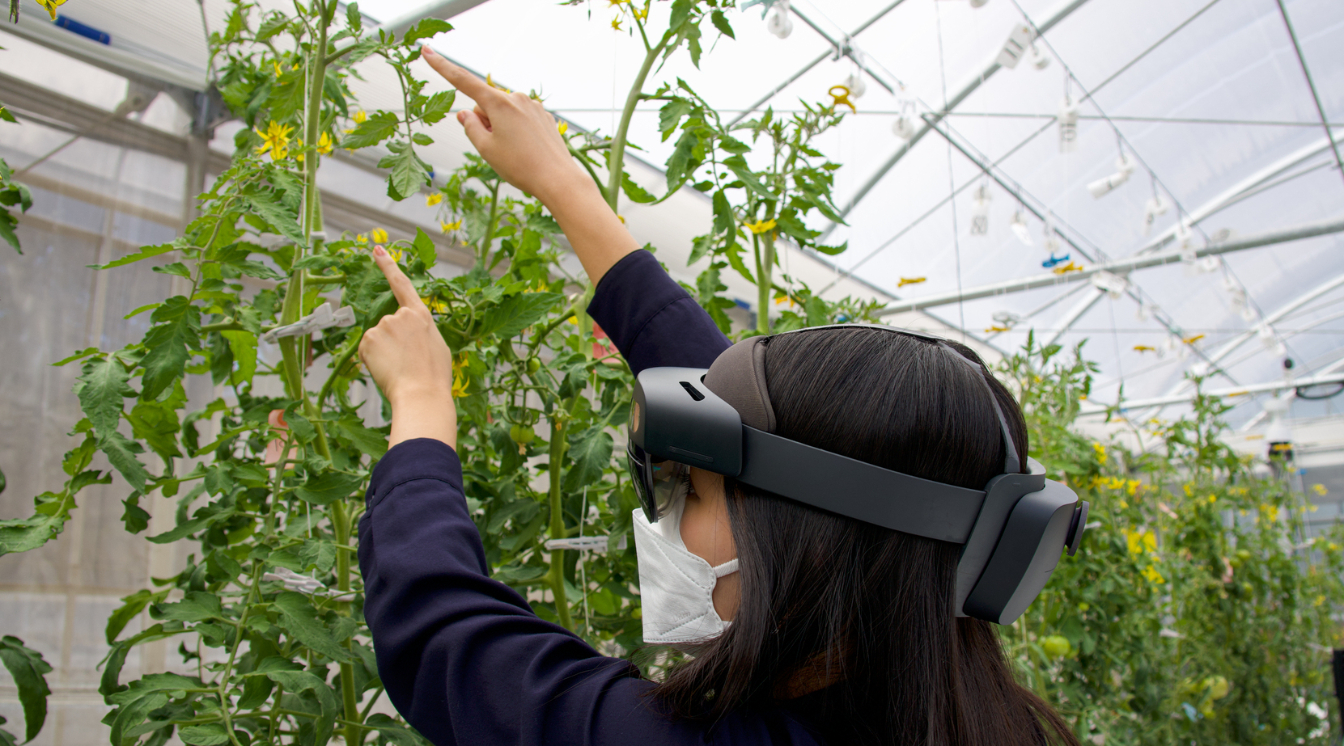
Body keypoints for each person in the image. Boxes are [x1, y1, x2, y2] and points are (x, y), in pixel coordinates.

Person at [353, 44, 1080, 746]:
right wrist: (562, 185)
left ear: (810, 545)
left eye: (691, 492)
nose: (668, 516)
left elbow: (442, 634)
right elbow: (773, 439)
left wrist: (420, 401)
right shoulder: (971, 709)